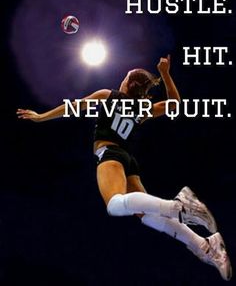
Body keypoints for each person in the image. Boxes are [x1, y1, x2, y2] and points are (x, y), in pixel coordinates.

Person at [17, 55, 232, 281]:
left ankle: (180, 206)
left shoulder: (108, 95)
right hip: (127, 159)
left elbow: (74, 107)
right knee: (147, 215)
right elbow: (175, 104)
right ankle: (205, 245)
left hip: (110, 154)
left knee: (114, 205)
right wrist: (166, 74)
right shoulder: (142, 108)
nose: (121, 80)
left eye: (125, 77)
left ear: (128, 84)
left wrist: (41, 117)